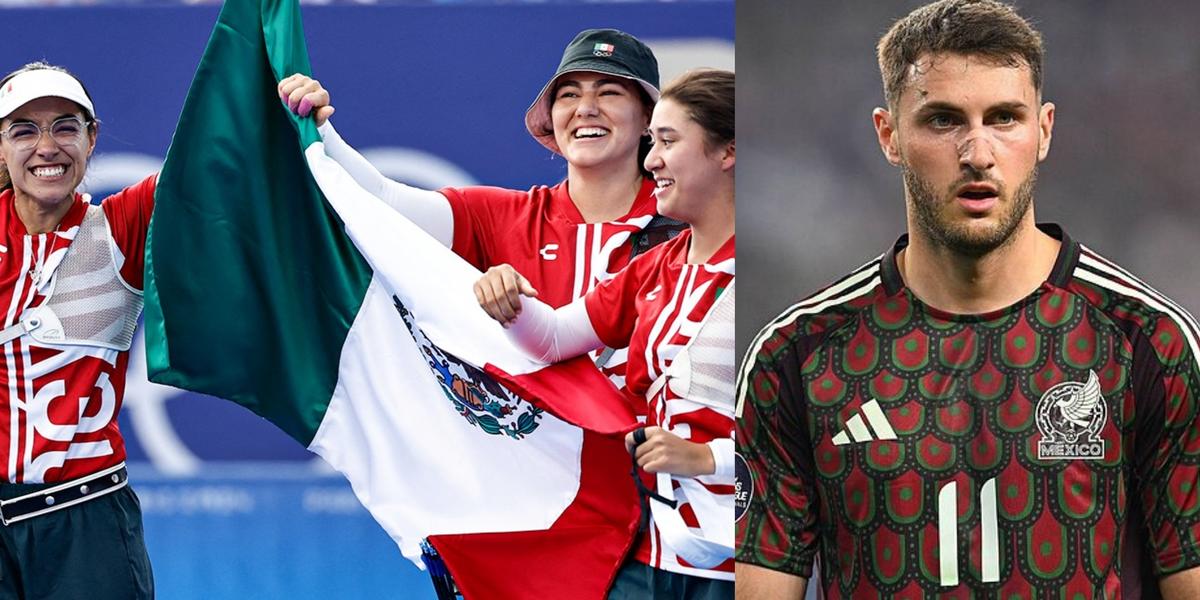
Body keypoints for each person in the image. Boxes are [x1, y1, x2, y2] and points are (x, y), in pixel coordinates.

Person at [735, 0, 1200, 598]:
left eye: (1005, 118)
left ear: (1045, 131)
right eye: (943, 120)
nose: (977, 153)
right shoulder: (797, 355)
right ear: (889, 135)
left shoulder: (1148, 342)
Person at [280, 28, 689, 596]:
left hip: (665, 510)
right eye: (568, 94)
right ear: (550, 120)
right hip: (540, 513)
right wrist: (318, 128)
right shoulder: (502, 216)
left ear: (650, 119)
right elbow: (379, 203)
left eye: (610, 92)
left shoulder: (689, 228)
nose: (586, 108)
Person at [475, 69, 735, 599]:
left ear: (727, 152)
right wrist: (510, 297)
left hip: (746, 560)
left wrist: (709, 458)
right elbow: (550, 338)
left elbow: (805, 438)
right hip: (655, 550)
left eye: (667, 141)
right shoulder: (658, 265)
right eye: (653, 141)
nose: (652, 160)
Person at [0, 62, 155, 598]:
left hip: (85, 520)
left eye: (65, 127)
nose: (47, 146)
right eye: (24, 130)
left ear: (92, 140)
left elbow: (218, 152)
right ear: (1, 148)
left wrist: (289, 109)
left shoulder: (121, 226)